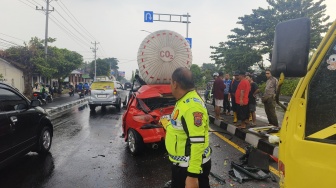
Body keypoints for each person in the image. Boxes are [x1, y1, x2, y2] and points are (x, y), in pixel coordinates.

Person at [164, 67, 211, 188]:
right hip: (183, 165)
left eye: (170, 82)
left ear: (175, 84)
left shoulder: (191, 106)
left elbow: (197, 142)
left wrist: (192, 175)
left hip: (188, 168)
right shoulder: (185, 99)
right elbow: (183, 126)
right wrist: (169, 126)